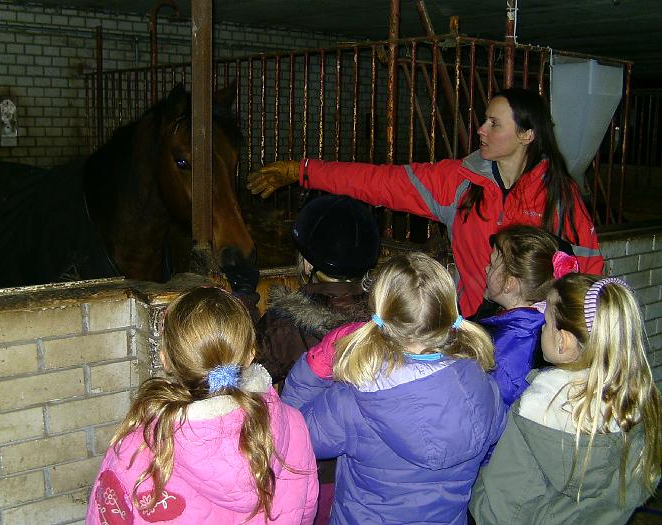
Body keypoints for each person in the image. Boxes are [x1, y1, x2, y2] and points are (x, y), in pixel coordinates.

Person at [248, 88, 604, 318]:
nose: (481, 129)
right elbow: (381, 182)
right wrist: (303, 170)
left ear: (527, 135)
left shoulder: (560, 197)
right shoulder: (460, 182)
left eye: (494, 124)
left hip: (537, 337)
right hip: (473, 329)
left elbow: (590, 272)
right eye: (484, 120)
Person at [282, 252, 506, 525]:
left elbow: (294, 435)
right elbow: (490, 453)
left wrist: (314, 367)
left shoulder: (354, 399)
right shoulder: (486, 389)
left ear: (379, 311)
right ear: (448, 311)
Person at [86, 286, 318, 524]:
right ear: (250, 354)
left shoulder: (134, 449)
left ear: (165, 358)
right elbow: (306, 512)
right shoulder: (293, 424)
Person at [470, 274, 662, 524]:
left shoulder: (537, 410)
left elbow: (499, 511)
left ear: (563, 341)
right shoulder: (637, 406)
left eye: (547, 322)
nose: (541, 327)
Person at [256, 194, 380, 385]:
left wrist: (244, 297)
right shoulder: (385, 316)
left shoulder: (284, 325)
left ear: (307, 264)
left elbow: (244, 376)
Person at [481, 224, 580, 406]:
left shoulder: (507, 348)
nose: (487, 268)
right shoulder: (533, 318)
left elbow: (491, 405)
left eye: (493, 263)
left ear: (509, 284)